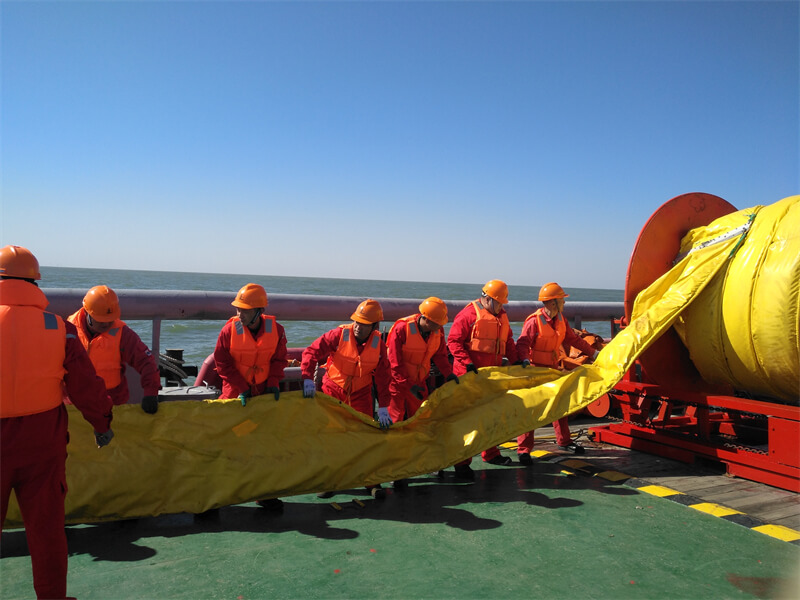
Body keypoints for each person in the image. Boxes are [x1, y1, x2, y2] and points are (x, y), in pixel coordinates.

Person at [0, 245, 114, 600]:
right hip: (42, 441)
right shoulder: (58, 327)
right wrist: (102, 423)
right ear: (35, 283)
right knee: (46, 531)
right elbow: (85, 385)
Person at [300, 299, 392, 499]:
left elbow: (384, 376)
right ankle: (329, 480)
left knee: (365, 437)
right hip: (333, 391)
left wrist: (384, 406)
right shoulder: (338, 335)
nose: (358, 326)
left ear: (374, 326)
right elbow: (311, 352)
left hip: (361, 394)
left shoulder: (379, 345)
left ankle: (370, 481)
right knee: (330, 437)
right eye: (357, 321)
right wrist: (307, 377)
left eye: (364, 324)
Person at [213, 283, 288, 511]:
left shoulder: (277, 331)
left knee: (262, 446)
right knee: (227, 445)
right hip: (235, 396)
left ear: (259, 311)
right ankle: (216, 497)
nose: (240, 314)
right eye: (238, 309)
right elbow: (222, 362)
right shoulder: (228, 331)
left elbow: (279, 359)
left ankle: (263, 493)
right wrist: (240, 387)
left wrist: (273, 382)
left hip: (262, 395)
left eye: (244, 310)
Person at [515, 282, 600, 462]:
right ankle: (524, 449)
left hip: (553, 369)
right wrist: (524, 361)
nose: (564, 303)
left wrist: (594, 353)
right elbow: (522, 344)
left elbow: (574, 339)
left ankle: (564, 441)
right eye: (562, 300)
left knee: (559, 405)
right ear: (553, 302)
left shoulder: (561, 320)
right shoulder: (534, 321)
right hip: (535, 371)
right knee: (531, 409)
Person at [446, 279, 520, 478]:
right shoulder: (468, 315)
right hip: (468, 377)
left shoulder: (502, 316)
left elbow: (508, 342)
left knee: (491, 416)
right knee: (467, 421)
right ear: (487, 299)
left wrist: (517, 361)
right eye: (499, 302)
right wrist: (467, 363)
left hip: (491, 377)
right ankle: (462, 463)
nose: (501, 306)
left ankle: (491, 453)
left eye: (503, 303)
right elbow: (453, 341)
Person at [68, 285, 162, 413]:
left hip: (111, 404)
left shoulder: (123, 334)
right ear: (87, 313)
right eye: (101, 320)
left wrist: (151, 393)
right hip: (74, 404)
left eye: (110, 319)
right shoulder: (68, 330)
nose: (106, 324)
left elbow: (146, 361)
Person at [386, 297, 457, 425]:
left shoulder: (437, 330)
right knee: (395, 418)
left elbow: (440, 355)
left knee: (420, 419)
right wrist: (409, 386)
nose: (441, 326)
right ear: (427, 320)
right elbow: (394, 363)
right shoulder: (402, 329)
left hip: (419, 381)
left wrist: (448, 374)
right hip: (398, 383)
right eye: (438, 323)